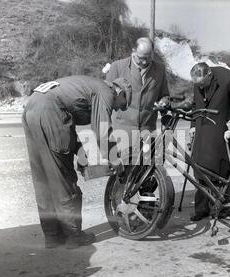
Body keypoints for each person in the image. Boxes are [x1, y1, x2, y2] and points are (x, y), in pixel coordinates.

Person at [22, 75, 131, 249]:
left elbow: (67, 120)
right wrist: (114, 159)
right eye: (121, 104)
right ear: (120, 92)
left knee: (43, 177)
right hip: (50, 113)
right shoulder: (106, 92)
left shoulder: (86, 86)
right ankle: (73, 236)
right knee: (63, 179)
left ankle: (52, 235)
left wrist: (82, 158)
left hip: (32, 107)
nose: (117, 109)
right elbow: (102, 130)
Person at [189, 62, 230, 221]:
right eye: (196, 85)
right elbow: (195, 105)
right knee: (199, 169)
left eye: (202, 84)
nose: (199, 87)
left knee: (218, 171)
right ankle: (201, 209)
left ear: (209, 75)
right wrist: (193, 125)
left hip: (222, 131)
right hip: (201, 131)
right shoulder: (198, 82)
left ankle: (220, 208)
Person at [106, 37, 170, 147]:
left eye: (148, 58)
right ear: (133, 51)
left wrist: (164, 102)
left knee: (146, 164)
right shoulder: (117, 67)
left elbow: (164, 95)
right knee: (125, 164)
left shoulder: (160, 69)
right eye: (141, 58)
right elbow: (106, 98)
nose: (145, 62)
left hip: (148, 129)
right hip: (122, 129)